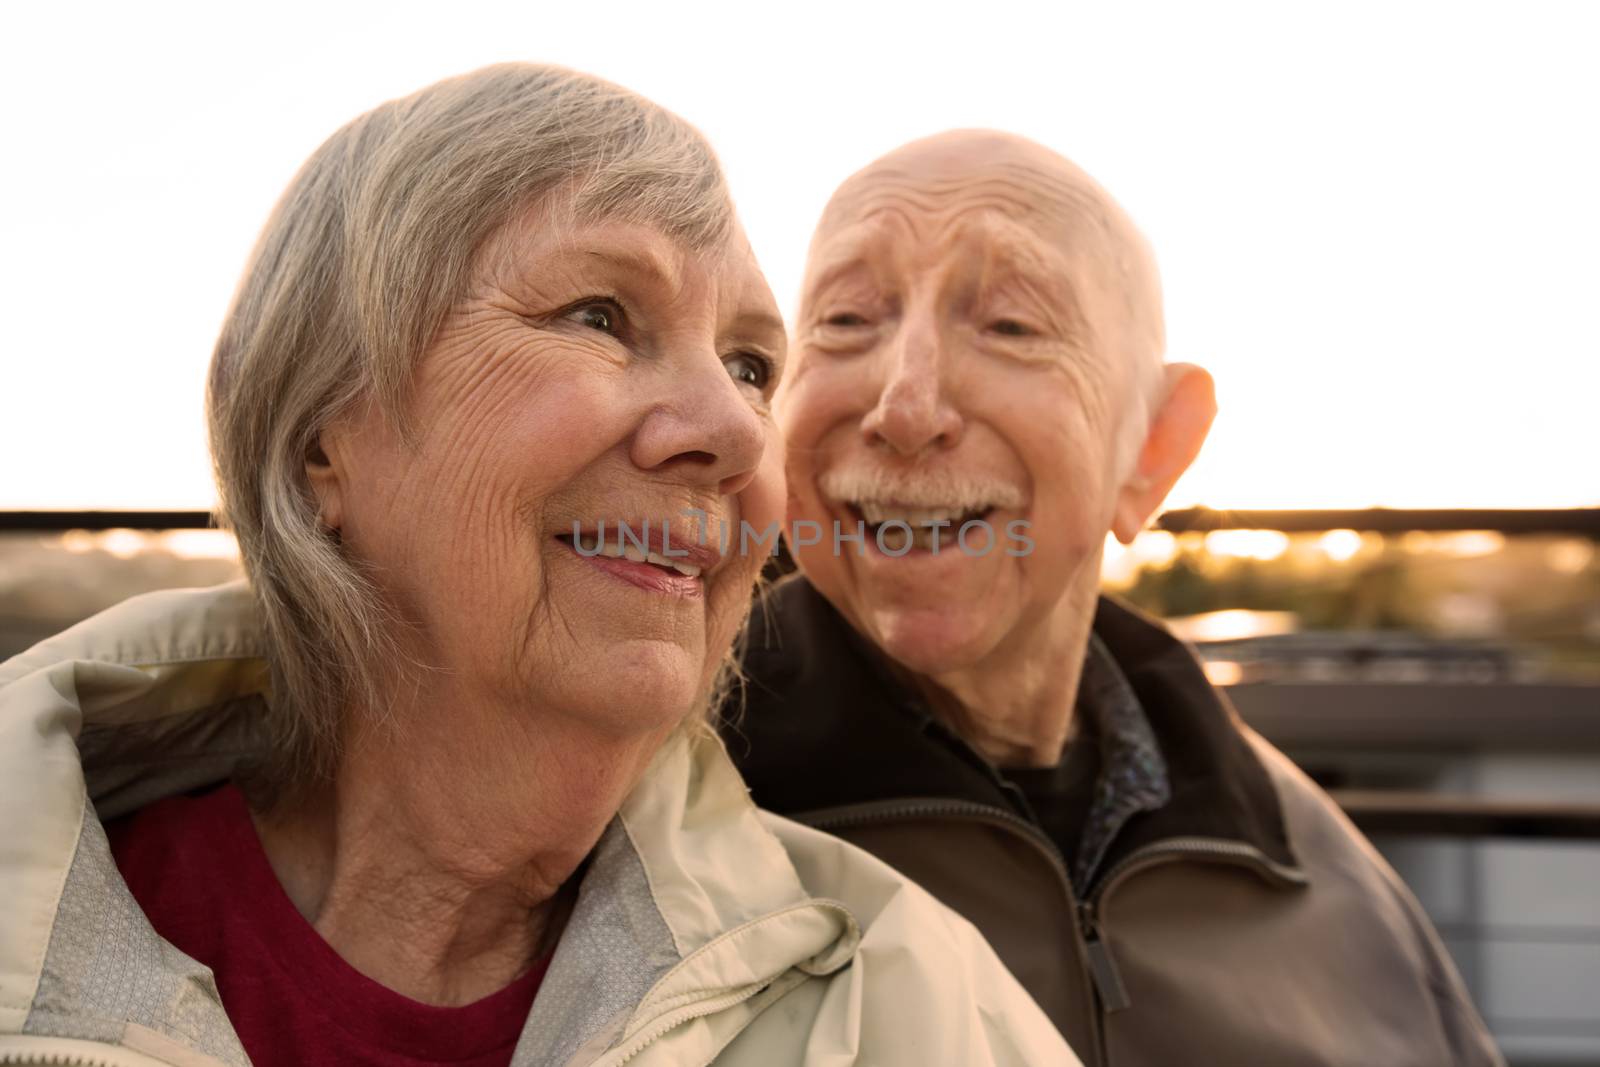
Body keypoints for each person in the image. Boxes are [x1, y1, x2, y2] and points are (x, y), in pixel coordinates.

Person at [0, 74, 1076, 1067]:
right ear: (323, 435)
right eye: (599, 315)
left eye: (751, 366)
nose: (740, 435)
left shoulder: (909, 999)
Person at [726, 129, 1504, 1066]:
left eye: (1011, 325)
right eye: (846, 320)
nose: (906, 406)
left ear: (1153, 451)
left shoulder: (1313, 866)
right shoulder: (657, 818)